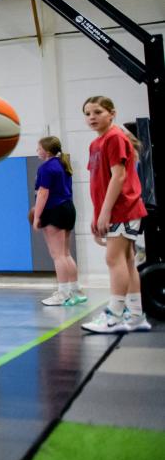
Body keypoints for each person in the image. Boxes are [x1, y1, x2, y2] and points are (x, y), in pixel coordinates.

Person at [79, 96, 151, 334]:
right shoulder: (96, 144)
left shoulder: (115, 138)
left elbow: (118, 177)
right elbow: (99, 182)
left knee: (114, 259)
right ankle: (135, 314)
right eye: (88, 113)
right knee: (127, 260)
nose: (92, 117)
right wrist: (96, 214)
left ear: (112, 113)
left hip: (123, 208)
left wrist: (106, 212)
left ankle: (114, 315)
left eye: (97, 112)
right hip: (113, 209)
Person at [32, 137, 85, 307]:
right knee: (66, 253)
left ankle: (62, 294)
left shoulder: (46, 167)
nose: (37, 151)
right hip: (68, 208)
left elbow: (43, 194)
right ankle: (75, 290)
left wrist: (36, 216)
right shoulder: (62, 163)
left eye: (39, 148)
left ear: (47, 151)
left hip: (54, 210)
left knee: (58, 255)